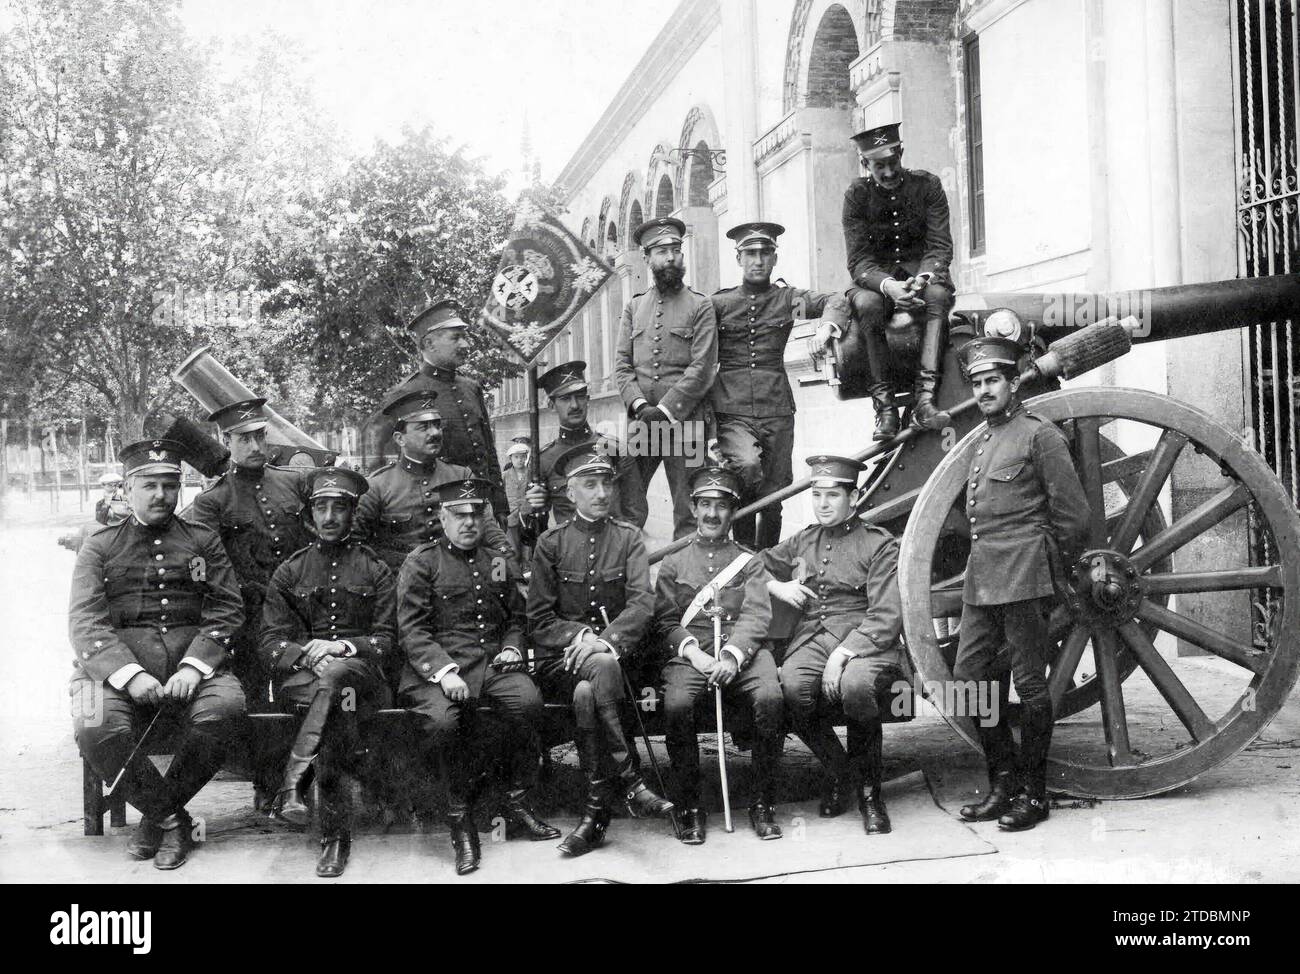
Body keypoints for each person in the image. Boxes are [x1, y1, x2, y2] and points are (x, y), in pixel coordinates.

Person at [69, 438, 246, 870]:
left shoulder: (203, 540)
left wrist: (195, 664)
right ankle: (170, 818)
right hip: (113, 671)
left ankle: (155, 817)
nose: (161, 495)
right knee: (94, 725)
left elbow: (227, 607)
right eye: (149, 485)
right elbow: (85, 622)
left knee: (225, 711)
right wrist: (128, 674)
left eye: (170, 484)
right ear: (127, 490)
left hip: (196, 668)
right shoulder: (100, 545)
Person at [951, 337, 1091, 831]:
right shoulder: (984, 438)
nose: (985, 390)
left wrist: (1052, 571)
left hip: (1026, 574)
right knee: (969, 680)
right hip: (982, 577)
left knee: (1030, 683)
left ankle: (1033, 794)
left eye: (993, 381)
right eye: (978, 383)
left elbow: (1073, 517)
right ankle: (1003, 779)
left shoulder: (1039, 435)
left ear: (1013, 384)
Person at [398, 477, 559, 876]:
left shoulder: (498, 561)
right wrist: (443, 671)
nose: (469, 522)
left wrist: (511, 648)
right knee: (441, 724)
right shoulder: (422, 561)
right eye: (459, 514)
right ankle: (460, 819)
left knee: (527, 703)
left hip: (493, 663)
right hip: (437, 669)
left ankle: (515, 802)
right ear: (442, 516)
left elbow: (516, 619)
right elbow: (412, 630)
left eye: (476, 514)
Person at [527, 444, 674, 856]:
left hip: (619, 662)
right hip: (563, 663)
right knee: (591, 674)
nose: (601, 492)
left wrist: (604, 641)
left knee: (589, 691)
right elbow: (539, 620)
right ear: (570, 493)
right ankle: (632, 784)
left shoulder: (628, 538)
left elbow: (642, 603)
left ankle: (595, 815)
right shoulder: (551, 544)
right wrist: (579, 636)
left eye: (607, 482)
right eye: (589, 485)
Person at [763, 455, 904, 834]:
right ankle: (842, 773)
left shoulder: (879, 544)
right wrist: (777, 585)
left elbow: (887, 614)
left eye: (833, 495)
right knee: (790, 689)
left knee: (855, 687)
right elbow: (753, 565)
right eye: (817, 495)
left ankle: (872, 797)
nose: (823, 504)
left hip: (865, 639)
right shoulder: (804, 539)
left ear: (853, 498)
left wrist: (842, 655)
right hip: (813, 636)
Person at [652, 466, 784, 843]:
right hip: (693, 653)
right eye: (705, 505)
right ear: (693, 509)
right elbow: (665, 620)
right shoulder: (675, 562)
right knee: (677, 704)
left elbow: (758, 613)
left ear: (733, 511)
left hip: (742, 652)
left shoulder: (749, 560)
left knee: (771, 698)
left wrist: (731, 656)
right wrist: (695, 655)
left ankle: (763, 801)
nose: (712, 514)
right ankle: (690, 804)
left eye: (721, 506)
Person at [710, 221, 851, 548]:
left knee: (775, 496)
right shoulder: (719, 304)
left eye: (765, 253)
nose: (758, 260)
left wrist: (825, 328)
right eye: (750, 254)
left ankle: (768, 563)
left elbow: (835, 300)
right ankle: (744, 562)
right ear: (738, 260)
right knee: (745, 471)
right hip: (732, 410)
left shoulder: (789, 300)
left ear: (774, 259)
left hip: (776, 409)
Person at [187, 397, 310, 711]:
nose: (256, 446)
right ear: (225, 441)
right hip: (247, 618)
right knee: (250, 701)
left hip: (298, 613)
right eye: (245, 439)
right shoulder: (212, 501)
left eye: (260, 436)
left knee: (298, 694)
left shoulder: (294, 482)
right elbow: (208, 569)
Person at [841, 122, 955, 440]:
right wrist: (889, 285)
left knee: (938, 298)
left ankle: (925, 400)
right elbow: (858, 260)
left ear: (901, 154)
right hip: (877, 282)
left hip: (922, 277)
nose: (889, 172)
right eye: (879, 166)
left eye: (893, 163)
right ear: (866, 164)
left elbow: (940, 246)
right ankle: (885, 409)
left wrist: (923, 277)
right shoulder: (856, 196)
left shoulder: (928, 186)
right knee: (866, 304)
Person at [613, 217, 718, 538]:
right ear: (647, 258)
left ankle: (686, 585)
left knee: (688, 511)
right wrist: (642, 407)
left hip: (686, 426)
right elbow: (621, 365)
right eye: (661, 251)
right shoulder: (633, 308)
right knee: (624, 503)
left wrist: (667, 410)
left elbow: (702, 368)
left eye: (676, 249)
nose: (671, 257)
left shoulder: (701, 306)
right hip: (642, 423)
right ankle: (627, 577)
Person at [353, 386, 516, 585]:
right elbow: (356, 547)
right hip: (400, 591)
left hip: (457, 588)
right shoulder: (377, 486)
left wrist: (506, 581)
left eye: (437, 425)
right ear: (399, 438)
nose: (435, 433)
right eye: (423, 427)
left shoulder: (461, 476)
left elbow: (491, 536)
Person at [387, 298, 509, 519]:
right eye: (456, 338)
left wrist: (500, 506)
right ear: (429, 344)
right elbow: (404, 468)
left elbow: (489, 454)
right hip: (439, 516)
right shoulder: (405, 393)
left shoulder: (471, 388)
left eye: (465, 337)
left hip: (482, 510)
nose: (466, 345)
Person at [524, 360, 648, 529]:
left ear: (588, 399)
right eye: (565, 399)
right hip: (569, 552)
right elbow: (535, 531)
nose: (574, 405)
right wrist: (530, 507)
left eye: (580, 396)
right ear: (552, 405)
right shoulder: (543, 460)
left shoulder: (617, 450)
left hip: (615, 549)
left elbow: (636, 512)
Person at [502, 441, 531, 552]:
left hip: (527, 516)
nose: (520, 460)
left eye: (523, 457)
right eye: (516, 457)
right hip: (510, 516)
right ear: (511, 459)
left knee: (528, 547)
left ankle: (527, 567)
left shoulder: (531, 474)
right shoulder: (504, 475)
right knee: (512, 547)